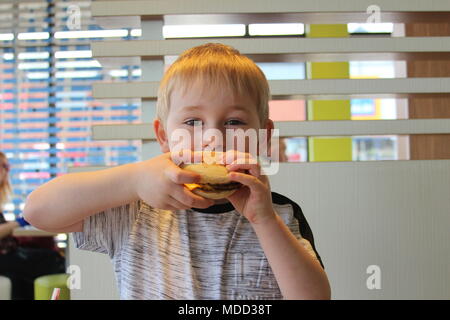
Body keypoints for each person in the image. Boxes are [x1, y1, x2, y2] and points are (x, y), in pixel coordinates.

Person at [23, 43, 331, 300]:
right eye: (192, 122)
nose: (213, 137)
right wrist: (134, 179)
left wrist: (264, 221)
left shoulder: (279, 215)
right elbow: (38, 211)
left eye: (234, 122)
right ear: (163, 137)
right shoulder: (136, 211)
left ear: (262, 136)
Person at [0, 151, 65, 300]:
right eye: (3, 166)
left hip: (7, 254)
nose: (6, 170)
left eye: (7, 166)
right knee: (53, 260)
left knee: (21, 281)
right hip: (4, 256)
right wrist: (21, 221)